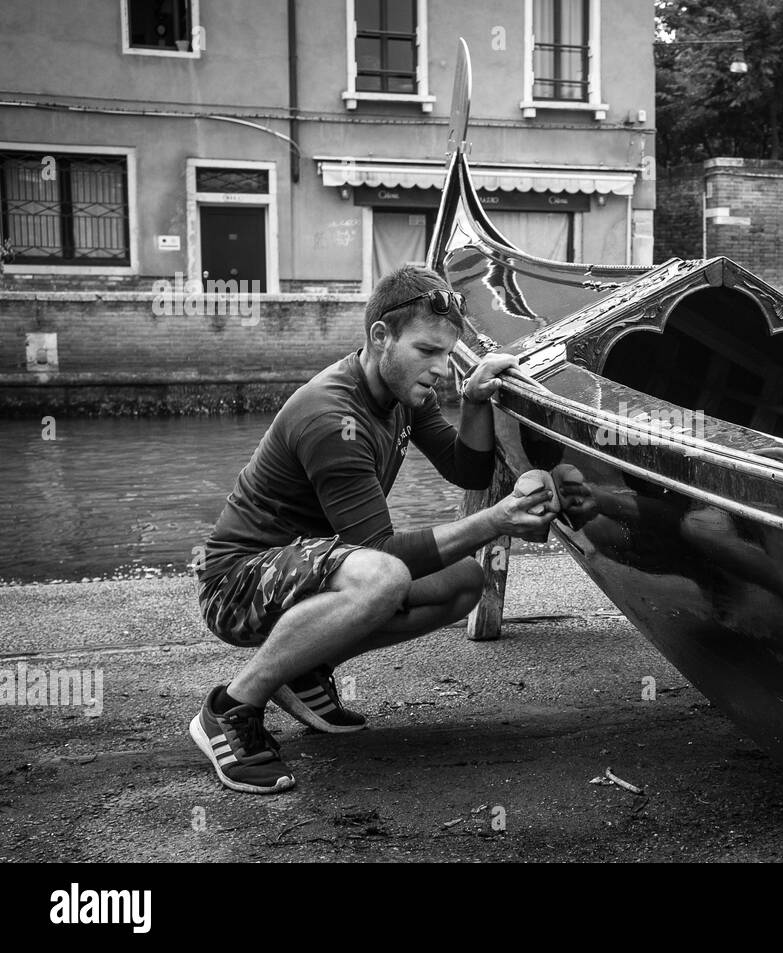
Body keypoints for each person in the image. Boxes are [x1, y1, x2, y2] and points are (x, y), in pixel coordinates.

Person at [189, 265, 556, 794]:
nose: (439, 368)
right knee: (381, 577)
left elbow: (466, 470)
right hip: (237, 584)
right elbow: (380, 551)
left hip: (309, 569)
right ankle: (232, 708)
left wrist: (474, 401)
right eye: (427, 351)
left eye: (447, 355)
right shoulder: (330, 414)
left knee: (462, 583)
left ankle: (304, 667)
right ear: (381, 336)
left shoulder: (405, 394)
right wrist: (498, 519)